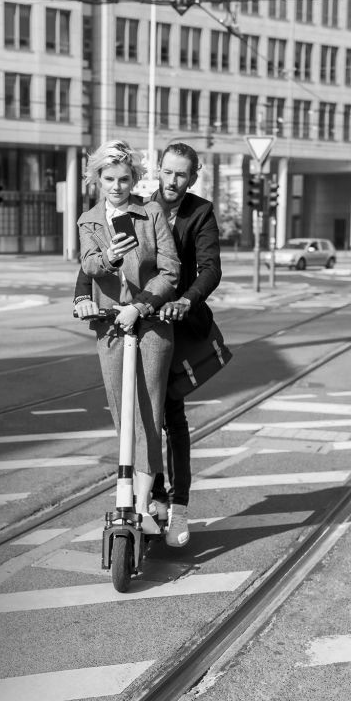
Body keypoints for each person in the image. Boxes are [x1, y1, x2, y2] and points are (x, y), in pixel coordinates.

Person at [74, 142, 222, 547]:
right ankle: (149, 504)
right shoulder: (114, 209)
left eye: (182, 175)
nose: (173, 181)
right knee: (135, 419)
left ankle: (176, 508)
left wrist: (177, 302)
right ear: (157, 172)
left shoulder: (194, 212)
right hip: (118, 323)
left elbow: (204, 269)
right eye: (168, 173)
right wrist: (83, 292)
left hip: (171, 319)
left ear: (192, 177)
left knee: (166, 416)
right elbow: (87, 266)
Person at [77, 140, 180, 535]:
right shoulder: (89, 220)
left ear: (134, 179)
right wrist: (110, 259)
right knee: (122, 412)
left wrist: (140, 306)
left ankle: (143, 503)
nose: (117, 186)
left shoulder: (151, 213)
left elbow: (169, 269)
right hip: (111, 327)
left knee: (148, 414)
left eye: (123, 179)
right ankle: (131, 494)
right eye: (109, 179)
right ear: (97, 180)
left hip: (150, 324)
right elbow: (87, 263)